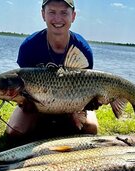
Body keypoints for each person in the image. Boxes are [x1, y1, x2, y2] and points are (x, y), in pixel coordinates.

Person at [5, 0, 98, 140]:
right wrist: (25, 102)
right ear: (43, 15)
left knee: (91, 128)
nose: (58, 19)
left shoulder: (82, 49)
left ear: (73, 16)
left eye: (64, 13)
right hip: (37, 104)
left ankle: (63, 119)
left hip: (74, 103)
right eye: (52, 12)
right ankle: (44, 120)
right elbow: (21, 88)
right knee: (15, 131)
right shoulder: (29, 46)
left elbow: (86, 87)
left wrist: (89, 102)